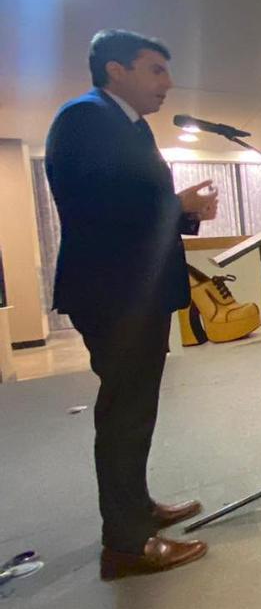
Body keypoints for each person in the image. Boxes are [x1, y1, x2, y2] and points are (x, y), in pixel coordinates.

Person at [45, 29, 214, 579]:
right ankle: (124, 545)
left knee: (136, 410)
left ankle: (136, 510)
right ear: (116, 70)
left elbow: (137, 202)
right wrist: (175, 204)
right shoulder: (85, 117)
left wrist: (184, 213)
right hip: (114, 291)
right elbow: (96, 206)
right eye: (156, 70)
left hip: (133, 289)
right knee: (124, 413)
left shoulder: (129, 126)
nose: (167, 82)